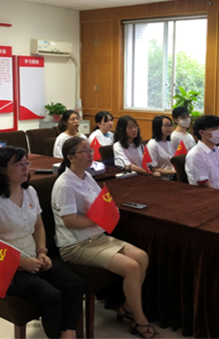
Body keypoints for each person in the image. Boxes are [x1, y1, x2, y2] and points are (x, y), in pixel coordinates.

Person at [52, 137, 162, 338]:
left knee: (142, 257)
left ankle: (126, 308)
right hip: (76, 245)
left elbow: (102, 203)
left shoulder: (87, 176)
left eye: (90, 150)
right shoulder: (65, 184)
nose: (90, 154)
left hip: (97, 237)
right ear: (70, 157)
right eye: (84, 151)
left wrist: (110, 212)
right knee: (132, 267)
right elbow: (70, 222)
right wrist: (99, 219)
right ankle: (140, 321)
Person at [0, 146, 85, 338]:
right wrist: (21, 262)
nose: (25, 168)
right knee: (51, 295)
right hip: (1, 266)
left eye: (26, 163)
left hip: (32, 257)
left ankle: (67, 334)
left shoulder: (30, 192)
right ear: (2, 169)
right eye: (18, 164)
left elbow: (39, 226)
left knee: (75, 284)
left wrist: (42, 252)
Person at [185, 115, 219, 191]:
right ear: (202, 133)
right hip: (209, 195)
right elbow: (206, 186)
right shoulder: (195, 155)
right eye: (214, 129)